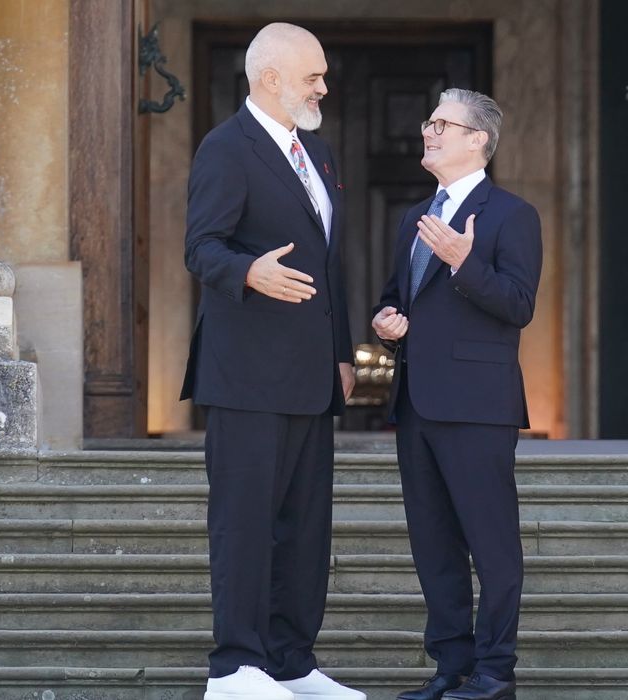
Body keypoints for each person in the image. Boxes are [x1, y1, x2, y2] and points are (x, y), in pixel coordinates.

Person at [182, 21, 363, 700]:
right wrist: (247, 272)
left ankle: (291, 663)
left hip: (312, 375)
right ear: (270, 79)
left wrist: (342, 354)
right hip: (246, 373)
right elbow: (201, 247)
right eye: (312, 75)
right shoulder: (225, 149)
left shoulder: (319, 156)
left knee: (304, 527)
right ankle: (234, 668)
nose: (323, 85)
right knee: (245, 521)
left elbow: (329, 267)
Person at [371, 89, 542, 700]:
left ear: (479, 140)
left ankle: (496, 671)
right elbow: (396, 296)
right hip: (416, 401)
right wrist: (387, 322)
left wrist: (465, 263)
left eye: (443, 123)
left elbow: (519, 306)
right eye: (429, 121)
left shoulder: (512, 214)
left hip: (478, 404)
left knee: (490, 543)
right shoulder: (412, 216)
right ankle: (452, 666)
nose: (430, 131)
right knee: (433, 544)